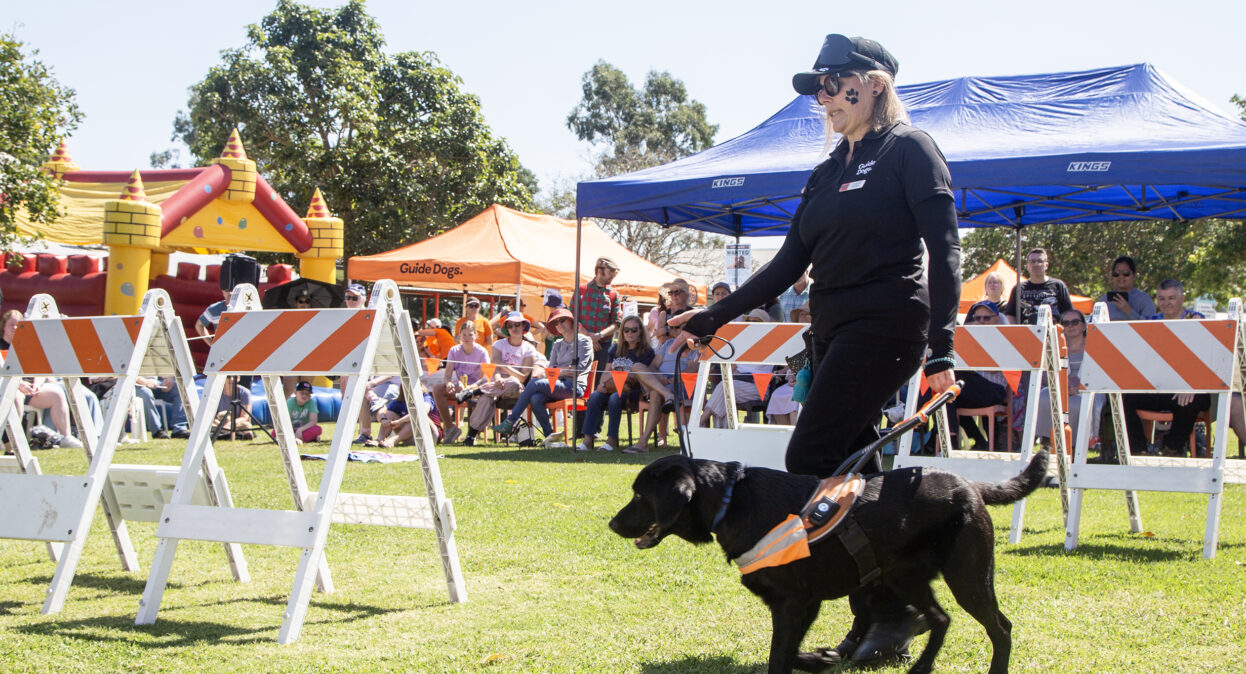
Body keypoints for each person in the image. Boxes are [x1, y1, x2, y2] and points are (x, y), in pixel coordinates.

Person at [669, 34, 960, 667]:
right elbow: (788, 262)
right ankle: (894, 609)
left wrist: (942, 351)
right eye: (818, 88)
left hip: (887, 326)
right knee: (861, 473)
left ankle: (879, 611)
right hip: (830, 329)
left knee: (810, 458)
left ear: (874, 83)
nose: (823, 98)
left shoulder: (911, 150)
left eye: (833, 84)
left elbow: (945, 251)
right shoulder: (828, 169)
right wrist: (711, 314)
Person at [1121, 279, 1209, 456]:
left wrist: (1192, 385)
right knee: (1121, 397)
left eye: (1171, 298)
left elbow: (1207, 357)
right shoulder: (1150, 322)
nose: (1166, 303)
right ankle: (1139, 450)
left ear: (1182, 298)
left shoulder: (1196, 320)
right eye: (1162, 299)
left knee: (1189, 401)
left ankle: (1172, 447)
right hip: (1159, 388)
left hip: (1193, 387)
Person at [491, 308, 593, 448]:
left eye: (562, 320)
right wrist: (562, 371)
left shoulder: (584, 341)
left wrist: (558, 372)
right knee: (535, 398)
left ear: (572, 322)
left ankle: (510, 421)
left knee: (534, 383)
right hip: (555, 384)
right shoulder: (557, 344)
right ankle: (549, 436)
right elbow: (549, 370)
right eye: (556, 323)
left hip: (575, 387)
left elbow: (578, 370)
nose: (560, 324)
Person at [576, 314, 657, 452]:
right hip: (611, 386)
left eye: (634, 330)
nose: (630, 333)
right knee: (595, 396)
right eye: (626, 330)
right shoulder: (615, 349)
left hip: (632, 391)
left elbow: (642, 375)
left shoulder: (647, 351)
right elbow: (606, 372)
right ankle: (587, 440)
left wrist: (621, 377)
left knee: (615, 398)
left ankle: (612, 440)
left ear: (640, 332)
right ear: (622, 332)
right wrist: (602, 384)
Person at [463, 311, 540, 447]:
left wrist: (503, 366)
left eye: (517, 324)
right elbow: (495, 367)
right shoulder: (498, 345)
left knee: (514, 382)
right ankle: (471, 435)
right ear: (507, 328)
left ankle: (477, 391)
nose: (514, 328)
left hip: (516, 387)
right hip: (497, 384)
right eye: (510, 325)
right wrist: (498, 378)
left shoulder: (529, 349)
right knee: (487, 398)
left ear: (523, 326)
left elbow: (522, 377)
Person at [1035, 310, 1101, 449]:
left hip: (1091, 389)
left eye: (1075, 322)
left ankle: (1076, 445)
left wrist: (1080, 387)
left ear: (1084, 326)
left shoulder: (1096, 345)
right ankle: (1047, 441)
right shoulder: (1054, 347)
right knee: (1044, 396)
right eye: (1065, 323)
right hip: (1061, 387)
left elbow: (1102, 372)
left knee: (1076, 404)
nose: (1070, 326)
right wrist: (1063, 386)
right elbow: (1048, 375)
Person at [699, 309, 773, 428]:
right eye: (749, 320)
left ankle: (701, 422)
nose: (751, 324)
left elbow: (787, 364)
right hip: (739, 383)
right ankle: (721, 436)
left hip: (758, 387)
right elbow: (732, 366)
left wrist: (778, 373)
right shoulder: (742, 342)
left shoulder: (772, 343)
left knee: (724, 388)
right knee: (723, 394)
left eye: (756, 322)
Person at [433, 321, 489, 444]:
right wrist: (448, 383)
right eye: (464, 334)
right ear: (459, 336)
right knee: (437, 389)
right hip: (460, 387)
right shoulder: (454, 350)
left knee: (481, 396)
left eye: (470, 334)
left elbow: (485, 377)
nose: (467, 338)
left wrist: (473, 386)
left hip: (478, 389)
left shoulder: (482, 352)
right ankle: (450, 428)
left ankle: (472, 434)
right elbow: (447, 375)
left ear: (475, 336)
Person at [572, 256, 623, 372]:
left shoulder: (614, 295)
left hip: (603, 346)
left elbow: (617, 322)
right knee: (577, 378)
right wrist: (588, 336)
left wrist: (598, 336)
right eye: (610, 272)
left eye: (614, 274)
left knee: (599, 381)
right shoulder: (581, 289)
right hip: (580, 343)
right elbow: (572, 316)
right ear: (599, 271)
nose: (612, 276)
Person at [1001, 248, 1073, 325]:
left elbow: (1069, 314)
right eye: (1032, 261)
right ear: (1027, 266)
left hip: (1053, 334)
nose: (1036, 264)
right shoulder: (1018, 289)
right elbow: (1010, 315)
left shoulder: (1058, 286)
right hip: (1026, 334)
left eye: (1040, 261)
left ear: (1046, 265)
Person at [1099, 255, 1155, 321]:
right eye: (1116, 273)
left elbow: (1150, 327)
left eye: (1126, 273)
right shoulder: (1104, 302)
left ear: (1134, 276)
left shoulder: (1144, 299)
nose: (1121, 277)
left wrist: (1128, 310)